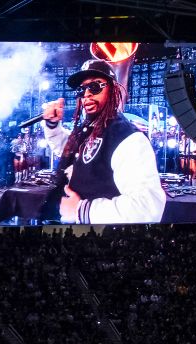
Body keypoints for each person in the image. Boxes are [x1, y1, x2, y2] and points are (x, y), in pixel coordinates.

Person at [40, 59, 165, 224]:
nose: (86, 94)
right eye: (81, 89)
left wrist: (82, 210)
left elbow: (147, 207)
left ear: (112, 90)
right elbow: (70, 152)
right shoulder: (90, 127)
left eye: (95, 86)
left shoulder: (129, 138)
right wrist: (53, 125)